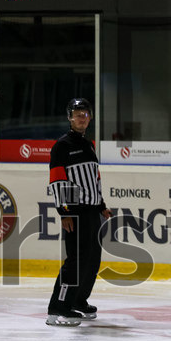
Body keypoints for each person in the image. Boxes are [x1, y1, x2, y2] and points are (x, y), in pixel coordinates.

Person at [46, 97, 112, 326]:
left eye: (85, 114)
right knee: (75, 261)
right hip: (75, 213)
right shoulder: (62, 146)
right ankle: (58, 308)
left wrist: (102, 206)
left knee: (92, 260)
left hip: (92, 212)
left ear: (90, 118)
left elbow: (95, 179)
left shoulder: (88, 144)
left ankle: (77, 301)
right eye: (77, 114)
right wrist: (64, 212)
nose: (81, 118)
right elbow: (57, 181)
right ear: (69, 118)